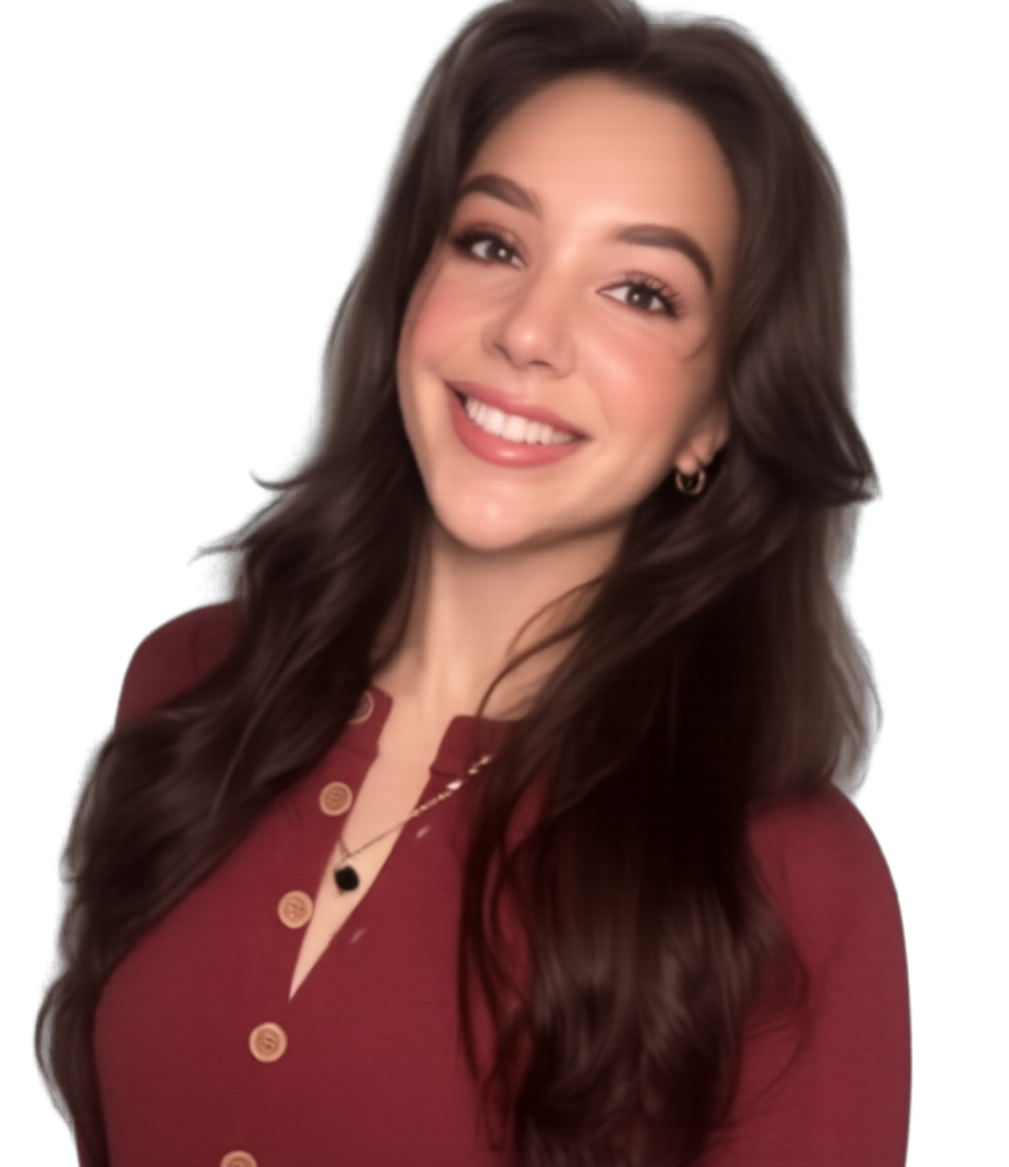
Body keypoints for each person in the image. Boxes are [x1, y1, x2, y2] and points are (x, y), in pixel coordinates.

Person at [36, 1, 910, 1164]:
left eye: (640, 291)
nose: (529, 332)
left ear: (717, 419)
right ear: (411, 285)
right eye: (492, 243)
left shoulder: (789, 866)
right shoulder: (191, 685)